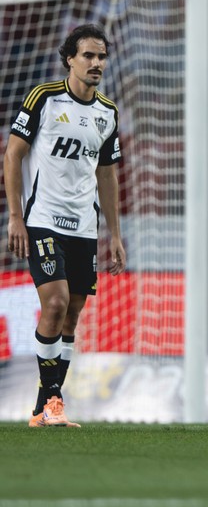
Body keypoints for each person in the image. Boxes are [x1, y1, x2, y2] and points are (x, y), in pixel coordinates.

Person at [4, 23, 126, 427]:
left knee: (71, 317)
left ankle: (45, 407)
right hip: (42, 221)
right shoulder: (43, 98)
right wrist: (16, 217)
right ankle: (53, 399)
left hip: (84, 228)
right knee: (53, 305)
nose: (96, 63)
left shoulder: (107, 113)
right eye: (88, 55)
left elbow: (107, 175)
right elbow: (12, 155)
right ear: (69, 59)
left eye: (101, 56)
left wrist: (115, 234)